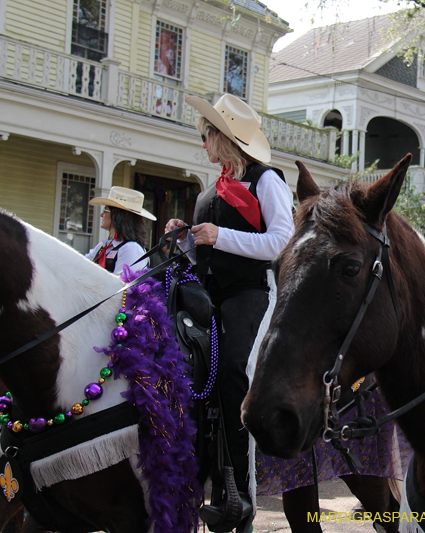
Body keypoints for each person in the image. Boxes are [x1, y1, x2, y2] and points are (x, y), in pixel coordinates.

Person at [166, 93, 294, 533]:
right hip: (210, 298)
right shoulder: (208, 193)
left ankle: (242, 491)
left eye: (206, 135)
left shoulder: (266, 181)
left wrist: (218, 235)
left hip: (252, 295)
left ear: (223, 138)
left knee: (235, 375)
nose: (202, 144)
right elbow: (205, 250)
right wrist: (185, 238)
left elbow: (281, 241)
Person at [86, 187, 154, 274]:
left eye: (105, 210)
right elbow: (82, 264)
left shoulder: (131, 249)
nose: (101, 214)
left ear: (117, 215)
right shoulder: (105, 245)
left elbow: (121, 285)